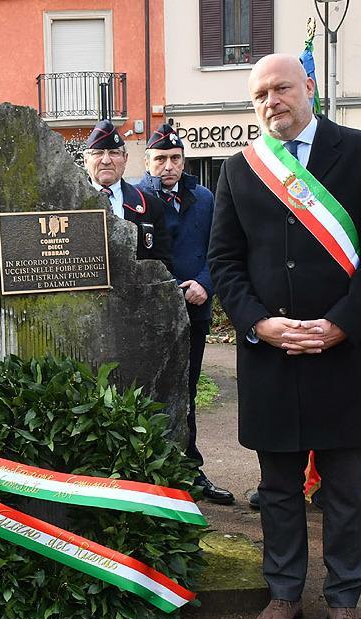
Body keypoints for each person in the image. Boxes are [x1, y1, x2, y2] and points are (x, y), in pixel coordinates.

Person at [209, 54, 361, 619]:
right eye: (260, 94)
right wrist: (258, 323)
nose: (271, 101)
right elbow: (224, 262)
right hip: (272, 354)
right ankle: (285, 591)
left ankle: (344, 601)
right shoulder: (241, 170)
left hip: (340, 352)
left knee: (345, 486)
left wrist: (343, 324)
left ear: (309, 87)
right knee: (278, 485)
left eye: (282, 88)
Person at [137, 122, 233, 505]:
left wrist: (205, 285)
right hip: (151, 315)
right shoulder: (136, 198)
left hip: (195, 308)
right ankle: (152, 472)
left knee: (187, 390)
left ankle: (190, 469)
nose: (168, 167)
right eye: (160, 159)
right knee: (148, 391)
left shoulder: (205, 197)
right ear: (146, 162)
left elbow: (220, 248)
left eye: (175, 159)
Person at [81, 119, 172, 267]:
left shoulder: (150, 205)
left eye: (114, 153)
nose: (106, 160)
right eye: (98, 153)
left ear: (125, 158)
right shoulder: (67, 205)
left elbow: (163, 263)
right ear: (85, 161)